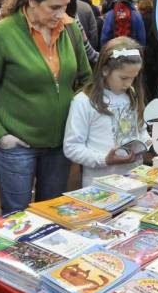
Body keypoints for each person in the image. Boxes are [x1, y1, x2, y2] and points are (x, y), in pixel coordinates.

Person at [0, 0, 92, 214]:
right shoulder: (0, 35)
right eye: (53, 7)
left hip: (60, 144)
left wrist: (77, 122)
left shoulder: (70, 30)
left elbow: (85, 79)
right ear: (31, 1)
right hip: (17, 145)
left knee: (52, 213)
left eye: (66, 6)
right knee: (17, 216)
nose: (62, 14)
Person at [64, 36, 150, 186]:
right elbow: (72, 147)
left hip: (134, 180)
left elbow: (141, 130)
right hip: (100, 186)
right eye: (123, 78)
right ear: (105, 70)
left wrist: (146, 142)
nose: (128, 83)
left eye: (133, 78)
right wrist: (104, 159)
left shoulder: (132, 94)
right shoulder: (84, 101)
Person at [66, 0, 99, 65]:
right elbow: (93, 34)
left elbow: (90, 52)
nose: (59, 15)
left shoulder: (74, 22)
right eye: (54, 7)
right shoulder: (85, 7)